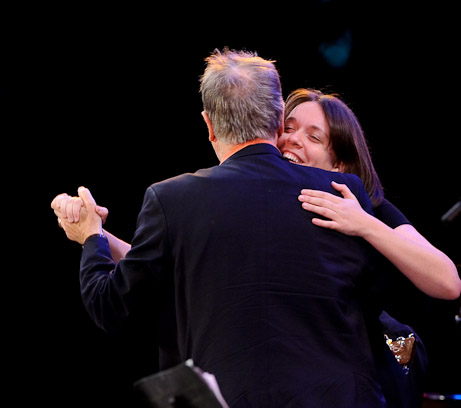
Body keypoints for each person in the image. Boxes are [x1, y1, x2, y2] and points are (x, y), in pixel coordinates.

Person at [51, 48, 388, 407]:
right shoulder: (341, 194)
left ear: (209, 125)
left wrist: (90, 236)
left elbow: (111, 306)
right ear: (278, 123)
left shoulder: (172, 200)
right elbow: (376, 298)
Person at [277, 88, 461, 408]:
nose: (292, 139)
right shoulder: (260, 198)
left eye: (314, 137)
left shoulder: (370, 208)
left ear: (339, 166)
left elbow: (448, 282)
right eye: (288, 128)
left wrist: (364, 223)